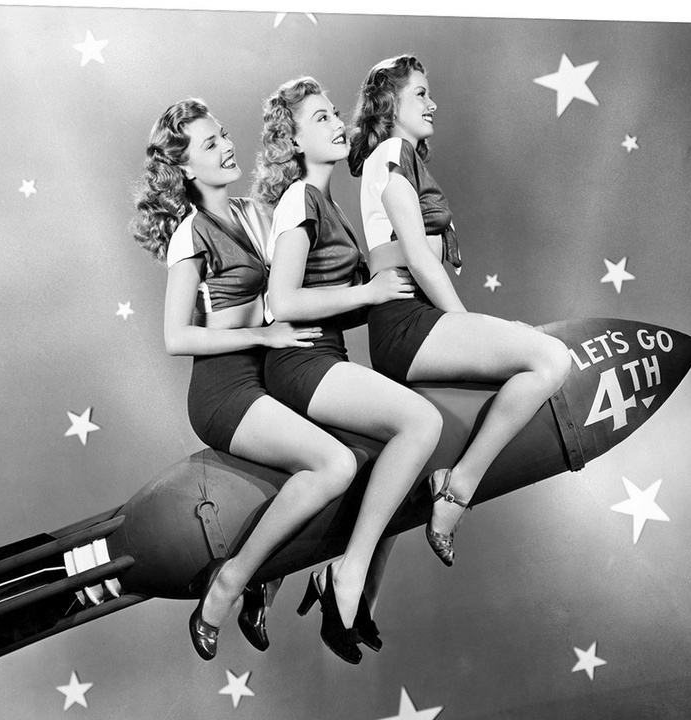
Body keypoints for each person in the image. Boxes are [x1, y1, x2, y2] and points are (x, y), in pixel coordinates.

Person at [130, 98, 359, 661]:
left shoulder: (255, 213)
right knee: (333, 465)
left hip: (272, 375)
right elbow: (176, 337)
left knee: (352, 453)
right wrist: (264, 334)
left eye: (225, 135)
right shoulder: (191, 233)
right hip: (225, 391)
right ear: (184, 168)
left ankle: (268, 581)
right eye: (210, 144)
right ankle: (229, 584)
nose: (228, 147)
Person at [348, 54, 572, 566]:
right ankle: (458, 491)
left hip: (409, 321)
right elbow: (419, 258)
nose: (433, 104)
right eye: (421, 93)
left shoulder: (400, 157)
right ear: (390, 104)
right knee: (551, 359)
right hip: (409, 321)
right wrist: (465, 322)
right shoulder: (392, 152)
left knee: (416, 463)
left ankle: (345, 584)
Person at [251, 77, 443, 665]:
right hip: (300, 362)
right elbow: (284, 301)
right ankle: (345, 574)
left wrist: (407, 275)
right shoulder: (300, 199)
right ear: (293, 141)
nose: (338, 123)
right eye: (320, 118)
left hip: (325, 359)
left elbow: (352, 298)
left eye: (336, 113)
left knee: (400, 463)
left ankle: (333, 582)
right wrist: (371, 290)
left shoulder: (329, 205)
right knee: (419, 424)